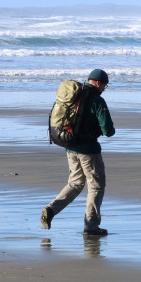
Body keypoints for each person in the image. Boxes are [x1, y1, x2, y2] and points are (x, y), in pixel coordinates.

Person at [41, 69, 115, 236]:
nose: (104, 89)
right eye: (104, 85)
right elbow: (108, 130)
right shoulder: (97, 100)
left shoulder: (75, 96)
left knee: (75, 184)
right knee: (96, 186)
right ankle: (91, 226)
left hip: (70, 147)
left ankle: (51, 209)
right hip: (89, 151)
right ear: (98, 82)